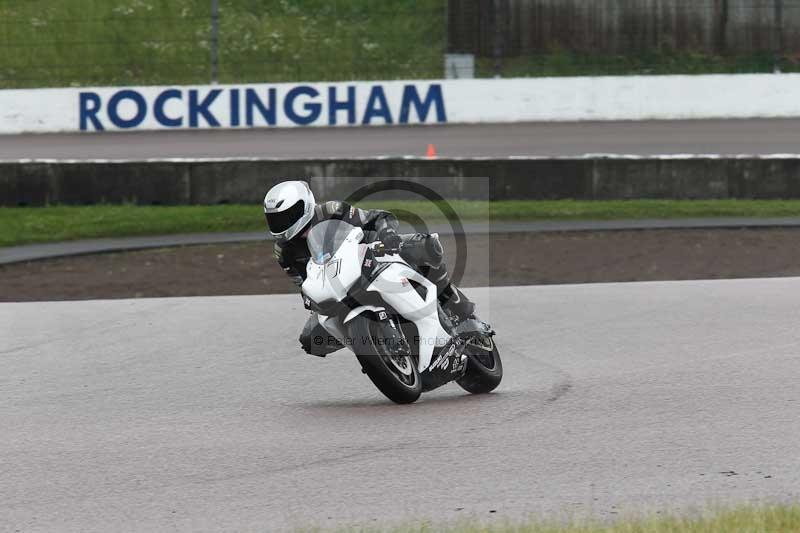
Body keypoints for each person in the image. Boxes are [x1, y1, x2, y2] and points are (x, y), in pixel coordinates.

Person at [263, 179, 475, 357]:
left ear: (305, 205)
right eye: (275, 219)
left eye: (288, 216)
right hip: (338, 285)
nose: (282, 223)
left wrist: (387, 235)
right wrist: (311, 300)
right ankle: (374, 348)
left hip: (375, 254)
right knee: (311, 339)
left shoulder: (331, 211)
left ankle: (453, 303)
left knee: (425, 246)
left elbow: (377, 217)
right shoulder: (284, 251)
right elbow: (304, 284)